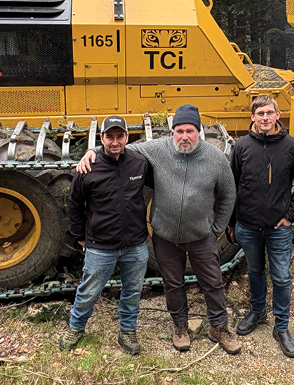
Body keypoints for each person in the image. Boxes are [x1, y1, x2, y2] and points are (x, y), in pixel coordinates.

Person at [78, 104, 241, 354]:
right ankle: (180, 327)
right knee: (172, 284)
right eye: (179, 131)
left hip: (201, 237)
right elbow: (120, 146)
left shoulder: (215, 157)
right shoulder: (158, 149)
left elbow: (229, 195)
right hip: (165, 237)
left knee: (213, 283)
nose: (184, 136)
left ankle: (218, 327)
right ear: (171, 131)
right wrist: (91, 151)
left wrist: (216, 228)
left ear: (199, 131)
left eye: (190, 130)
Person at [227, 95, 294, 358]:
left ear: (278, 115)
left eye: (269, 112)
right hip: (248, 226)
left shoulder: (291, 146)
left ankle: (282, 327)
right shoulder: (241, 146)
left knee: (282, 277)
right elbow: (232, 186)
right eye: (259, 113)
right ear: (252, 117)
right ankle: (257, 312)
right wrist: (232, 222)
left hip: (278, 228)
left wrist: (290, 215)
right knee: (254, 270)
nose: (265, 117)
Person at [60, 116, 152, 355]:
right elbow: (75, 203)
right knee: (89, 291)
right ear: (101, 138)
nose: (114, 142)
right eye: (109, 136)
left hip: (135, 243)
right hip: (101, 245)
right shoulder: (88, 167)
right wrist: (80, 235)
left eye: (119, 136)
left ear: (126, 137)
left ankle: (128, 331)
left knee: (133, 290)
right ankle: (76, 328)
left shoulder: (139, 163)